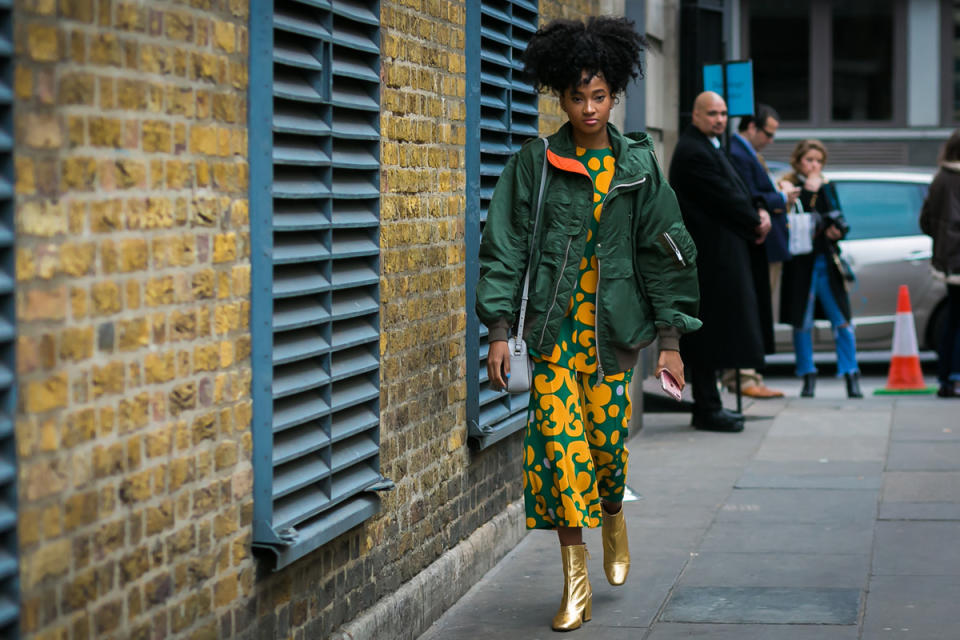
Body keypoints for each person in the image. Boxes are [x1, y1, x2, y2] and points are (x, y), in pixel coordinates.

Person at [475, 17, 701, 632]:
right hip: (551, 339)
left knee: (605, 451)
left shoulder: (637, 165)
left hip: (615, 339)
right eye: (577, 96)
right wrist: (498, 331)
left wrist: (671, 343)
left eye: (598, 95)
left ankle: (614, 516)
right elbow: (504, 247)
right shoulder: (536, 163)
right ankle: (575, 583)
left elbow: (667, 251)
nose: (588, 108)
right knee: (562, 454)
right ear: (560, 96)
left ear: (615, 93)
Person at [669, 91, 774, 433]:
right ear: (696, 115)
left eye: (724, 113)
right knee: (707, 336)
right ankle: (707, 409)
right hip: (708, 260)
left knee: (713, 335)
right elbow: (725, 197)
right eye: (712, 113)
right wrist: (755, 219)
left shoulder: (709, 146)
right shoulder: (693, 151)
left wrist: (756, 209)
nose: (719, 119)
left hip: (719, 255)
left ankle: (710, 406)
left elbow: (738, 190)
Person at [723, 103, 800, 399]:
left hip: (766, 245)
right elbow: (750, 195)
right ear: (752, 127)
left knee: (757, 312)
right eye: (768, 133)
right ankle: (743, 376)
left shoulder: (747, 153)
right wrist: (780, 196)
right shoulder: (739, 153)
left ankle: (747, 374)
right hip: (759, 245)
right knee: (752, 312)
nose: (771, 140)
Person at [780, 139, 862, 398]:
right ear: (798, 161)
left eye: (818, 161)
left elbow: (838, 218)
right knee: (802, 322)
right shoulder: (788, 185)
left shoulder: (827, 186)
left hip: (826, 261)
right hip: (801, 264)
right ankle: (807, 375)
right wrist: (806, 190)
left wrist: (836, 230)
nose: (814, 165)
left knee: (842, 320)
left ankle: (851, 374)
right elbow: (791, 217)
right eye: (809, 160)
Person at [919, 130, 960, 398]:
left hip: (948, 263)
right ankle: (954, 377)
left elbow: (925, 221)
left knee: (953, 320)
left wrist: (943, 243)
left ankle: (946, 378)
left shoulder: (941, 179)